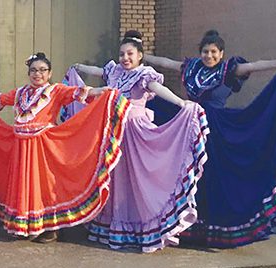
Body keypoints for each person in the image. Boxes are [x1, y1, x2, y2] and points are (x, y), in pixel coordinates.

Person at [145, 30, 276, 247]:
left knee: (210, 174)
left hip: (215, 130)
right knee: (185, 173)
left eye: (214, 52)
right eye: (205, 51)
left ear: (221, 53)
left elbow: (254, 66)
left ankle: (215, 227)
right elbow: (166, 62)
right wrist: (143, 56)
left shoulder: (228, 69)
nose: (209, 56)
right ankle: (183, 224)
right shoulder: (191, 67)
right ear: (200, 52)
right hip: (188, 125)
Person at [0, 52, 129, 243]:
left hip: (43, 148)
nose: (38, 74)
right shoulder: (20, 93)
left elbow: (78, 92)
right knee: (23, 184)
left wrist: (101, 91)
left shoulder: (56, 90)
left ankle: (49, 228)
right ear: (28, 73)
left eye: (42, 70)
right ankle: (28, 225)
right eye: (34, 70)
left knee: (43, 186)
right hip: (21, 148)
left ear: (49, 74)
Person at [72, 30, 208, 252]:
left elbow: (158, 88)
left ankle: (144, 227)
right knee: (116, 181)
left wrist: (181, 103)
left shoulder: (144, 74)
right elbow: (99, 71)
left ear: (139, 56)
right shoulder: (114, 71)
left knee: (138, 179)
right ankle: (112, 226)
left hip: (134, 133)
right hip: (113, 133)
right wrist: (79, 67)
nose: (126, 58)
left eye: (130, 54)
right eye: (122, 54)